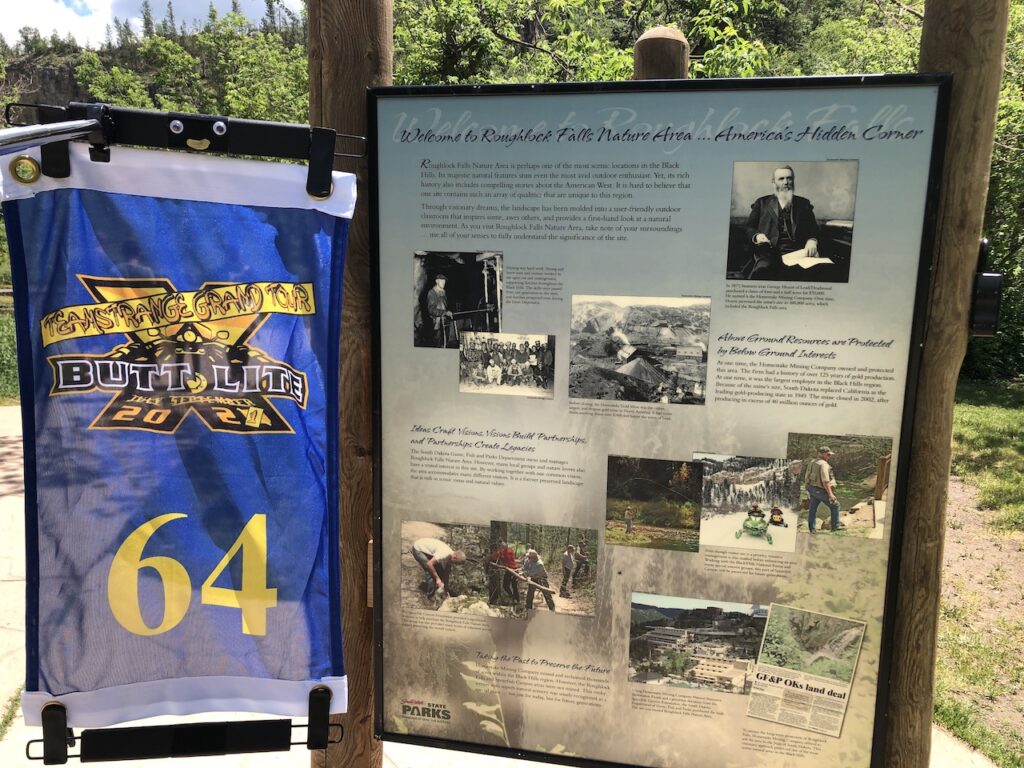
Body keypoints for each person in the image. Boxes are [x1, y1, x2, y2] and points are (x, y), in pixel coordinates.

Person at [744, 166, 821, 279]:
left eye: (789, 178)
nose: (786, 182)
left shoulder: (803, 203)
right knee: (763, 272)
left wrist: (812, 241)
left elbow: (813, 228)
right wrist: (757, 236)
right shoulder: (761, 202)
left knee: (816, 272)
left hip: (798, 252)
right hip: (768, 252)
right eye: (781, 179)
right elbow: (749, 228)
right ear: (773, 182)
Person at [804, 446, 843, 534]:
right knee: (835, 505)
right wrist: (830, 494)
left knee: (812, 510)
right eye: (828, 454)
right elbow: (825, 481)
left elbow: (806, 476)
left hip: (811, 488)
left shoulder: (812, 462)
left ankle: (812, 529)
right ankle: (835, 527)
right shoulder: (824, 465)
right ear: (823, 454)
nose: (829, 456)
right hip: (820, 490)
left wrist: (807, 488)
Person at [426, 274, 454, 347]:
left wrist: (447, 312)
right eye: (442, 281)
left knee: (445, 343)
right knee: (437, 344)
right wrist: (445, 312)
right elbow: (431, 310)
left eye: (444, 281)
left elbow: (444, 306)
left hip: (444, 322)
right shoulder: (432, 293)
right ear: (436, 281)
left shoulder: (443, 292)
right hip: (436, 324)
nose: (443, 283)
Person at [490, 541, 519, 606]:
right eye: (501, 547)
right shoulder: (501, 552)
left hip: (513, 570)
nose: (501, 548)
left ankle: (515, 599)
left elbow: (505, 557)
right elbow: (494, 557)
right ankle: (513, 598)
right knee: (506, 586)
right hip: (509, 570)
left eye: (502, 547)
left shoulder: (509, 552)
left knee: (512, 586)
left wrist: (499, 554)